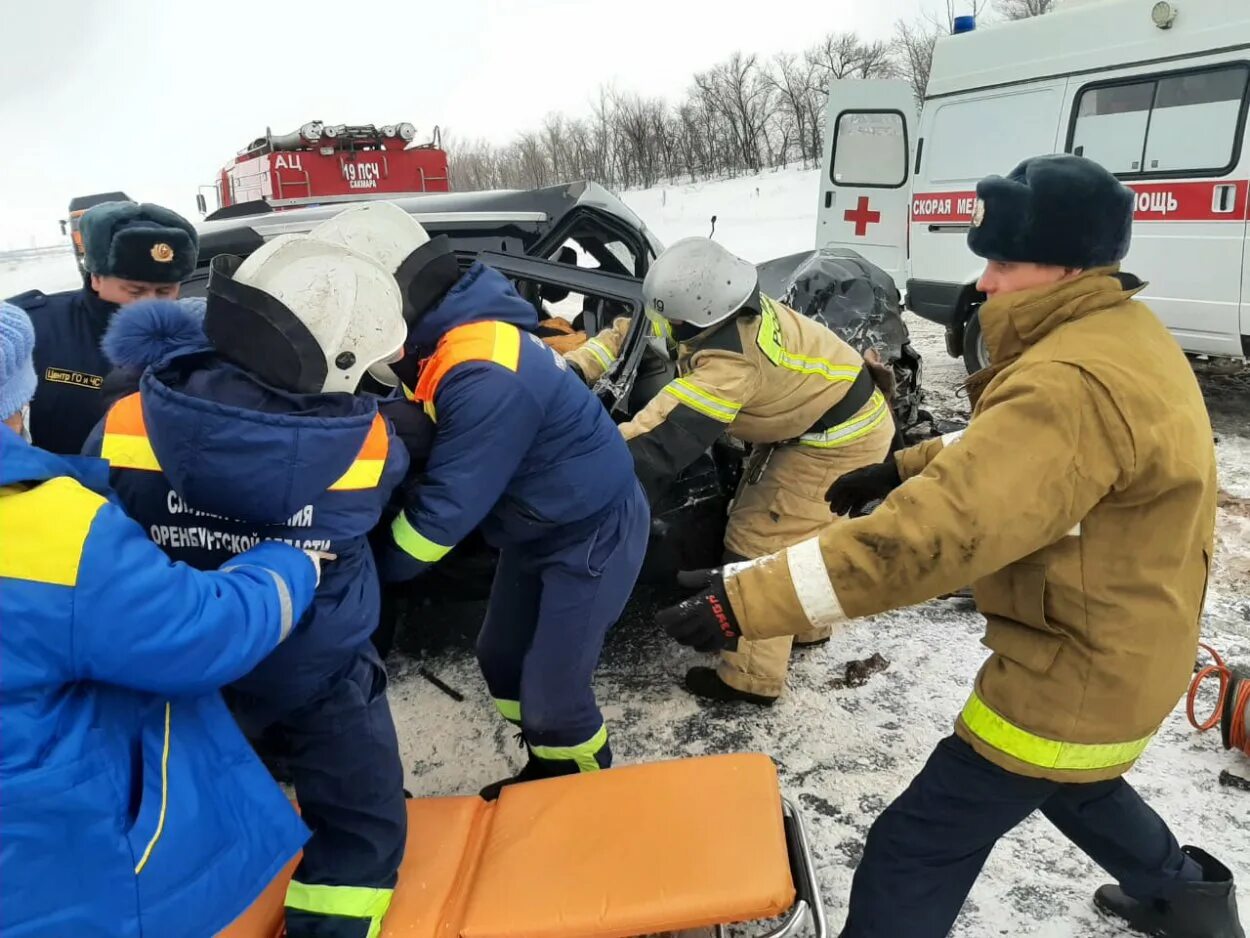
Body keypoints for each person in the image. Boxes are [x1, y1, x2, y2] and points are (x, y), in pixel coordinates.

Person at [657, 155, 1243, 938]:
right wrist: (900, 466)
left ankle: (1186, 902)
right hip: (1134, 646)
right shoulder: (1118, 334)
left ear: (1067, 265)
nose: (987, 282)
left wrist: (743, 599)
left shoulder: (1071, 382)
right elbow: (1018, 452)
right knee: (1077, 785)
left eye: (1003, 261)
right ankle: (1189, 903)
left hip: (1073, 671)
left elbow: (932, 539)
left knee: (912, 848)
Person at [85, 233, 412, 938]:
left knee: (178, 806)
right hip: (317, 662)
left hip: (182, 660)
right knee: (359, 816)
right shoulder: (370, 441)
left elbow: (98, 518)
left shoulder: (124, 416)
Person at [0, 301, 323, 937]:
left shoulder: (112, 431)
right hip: (58, 866)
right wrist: (289, 568)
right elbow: (201, 634)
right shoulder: (38, 527)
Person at [317, 201, 649, 798]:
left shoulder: (485, 372)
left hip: (591, 531)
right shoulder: (444, 338)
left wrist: (368, 569)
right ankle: (548, 761)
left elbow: (443, 514)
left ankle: (577, 797)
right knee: (500, 658)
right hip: (535, 527)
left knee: (555, 694)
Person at [567, 237, 896, 706]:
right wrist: (571, 369)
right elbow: (633, 332)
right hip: (826, 419)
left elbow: (656, 440)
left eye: (672, 320)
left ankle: (750, 679)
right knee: (802, 536)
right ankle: (804, 627)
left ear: (697, 315)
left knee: (759, 542)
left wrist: (581, 473)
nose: (665, 326)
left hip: (838, 440)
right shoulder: (721, 306)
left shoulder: (732, 366)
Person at [6, 200, 198, 456]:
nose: (150, 303)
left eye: (164, 292)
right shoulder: (35, 328)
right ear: (96, 278)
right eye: (136, 291)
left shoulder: (196, 337)